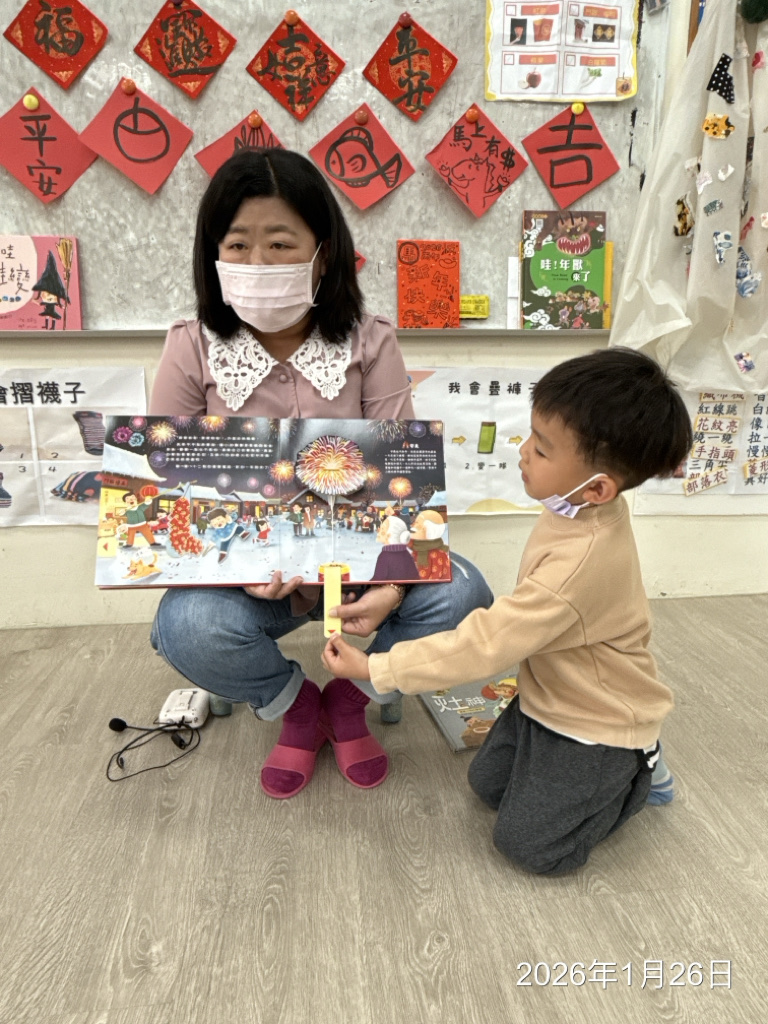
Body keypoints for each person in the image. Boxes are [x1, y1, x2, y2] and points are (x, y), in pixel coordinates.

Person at [148, 148, 493, 800]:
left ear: (323, 253)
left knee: (463, 594)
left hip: (360, 572)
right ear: (212, 254)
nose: (257, 264)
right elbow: (172, 490)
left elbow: (405, 481)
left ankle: (351, 696)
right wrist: (236, 569)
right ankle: (295, 704)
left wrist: (393, 587)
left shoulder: (370, 341)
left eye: (280, 244)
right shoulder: (190, 346)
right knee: (185, 627)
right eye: (238, 245)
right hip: (252, 580)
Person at [323, 348, 692, 874]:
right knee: (485, 785)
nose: (522, 452)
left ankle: (639, 767)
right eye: (531, 437)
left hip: (596, 720)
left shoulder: (578, 564)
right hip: (544, 696)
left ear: (597, 487)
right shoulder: (586, 505)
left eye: (540, 449)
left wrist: (376, 667)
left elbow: (485, 643)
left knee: (530, 847)